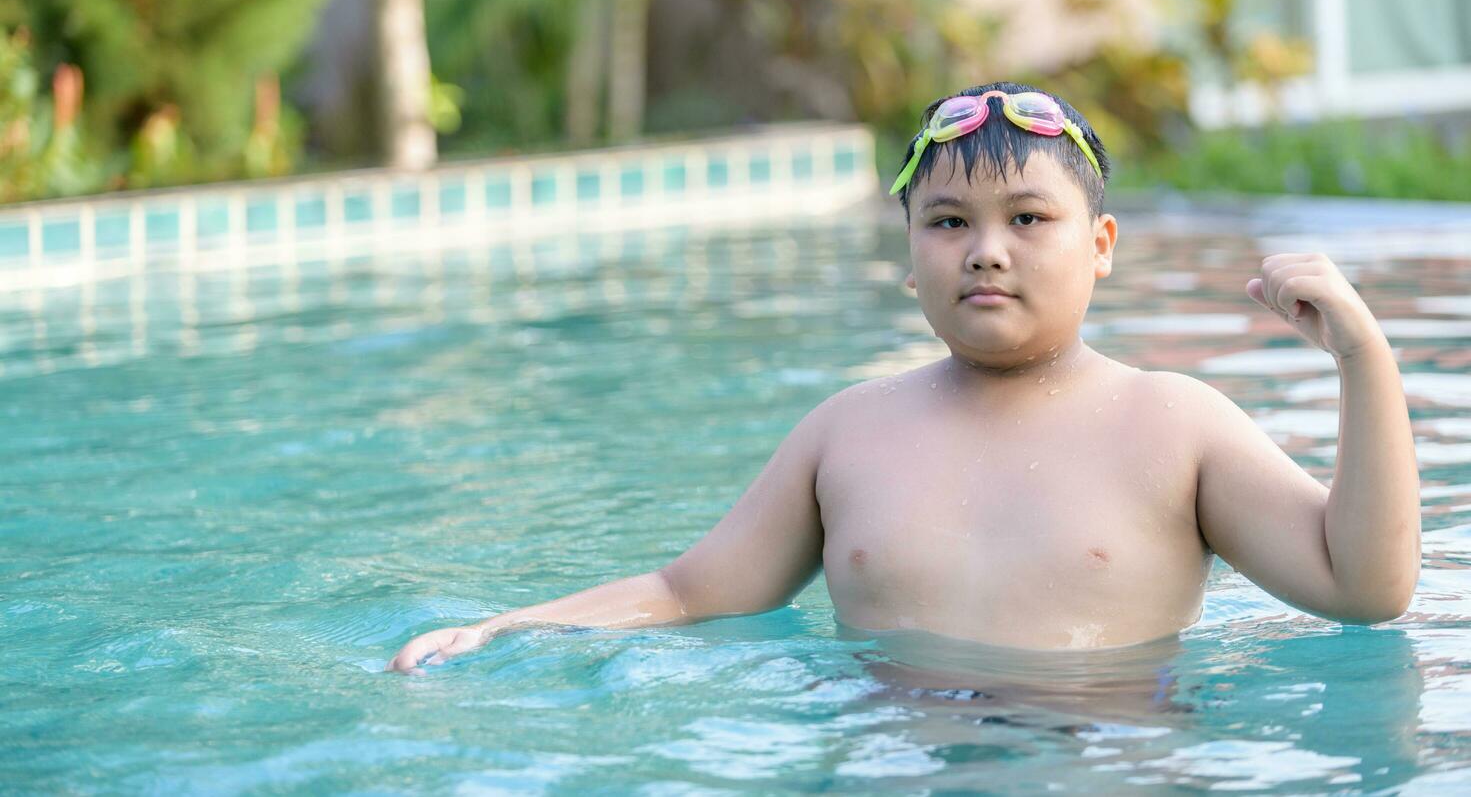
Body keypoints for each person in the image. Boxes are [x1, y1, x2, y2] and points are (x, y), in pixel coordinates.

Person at [387, 80, 1421, 675]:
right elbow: (684, 589)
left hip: (1104, 767)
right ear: (907, 251)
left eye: (1027, 218)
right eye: (948, 223)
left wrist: (1361, 359)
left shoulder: (1175, 423)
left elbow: (1363, 586)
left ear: (1100, 242)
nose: (985, 250)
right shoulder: (846, 433)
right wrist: (501, 627)